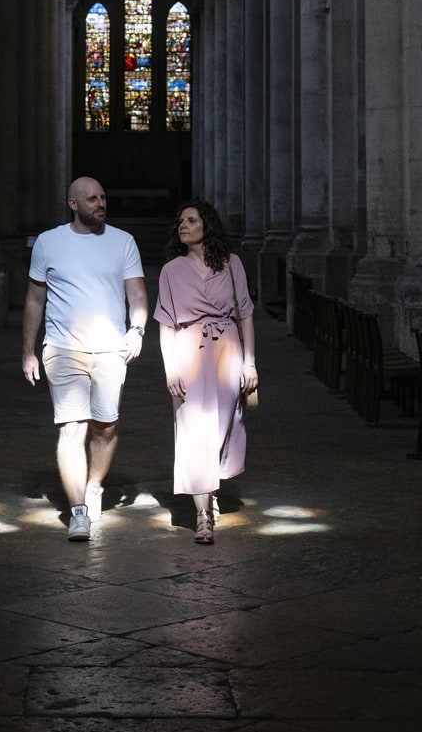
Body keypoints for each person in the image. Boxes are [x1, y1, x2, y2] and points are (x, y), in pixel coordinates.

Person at [22, 177, 148, 540]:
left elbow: (137, 295)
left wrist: (136, 330)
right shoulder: (49, 242)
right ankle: (78, 510)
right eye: (92, 198)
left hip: (110, 349)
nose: (101, 203)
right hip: (62, 349)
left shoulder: (123, 242)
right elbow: (34, 299)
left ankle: (94, 486)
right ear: (73, 204)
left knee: (105, 426)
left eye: (104, 197)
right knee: (71, 427)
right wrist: (28, 351)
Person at [155, 198, 257, 544]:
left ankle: (209, 488)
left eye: (192, 220)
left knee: (221, 427)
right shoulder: (171, 271)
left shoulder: (232, 265)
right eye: (180, 220)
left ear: (206, 226)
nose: (183, 225)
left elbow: (245, 313)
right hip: (188, 353)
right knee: (193, 430)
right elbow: (166, 324)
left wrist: (250, 362)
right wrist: (171, 370)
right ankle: (202, 515)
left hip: (227, 350)